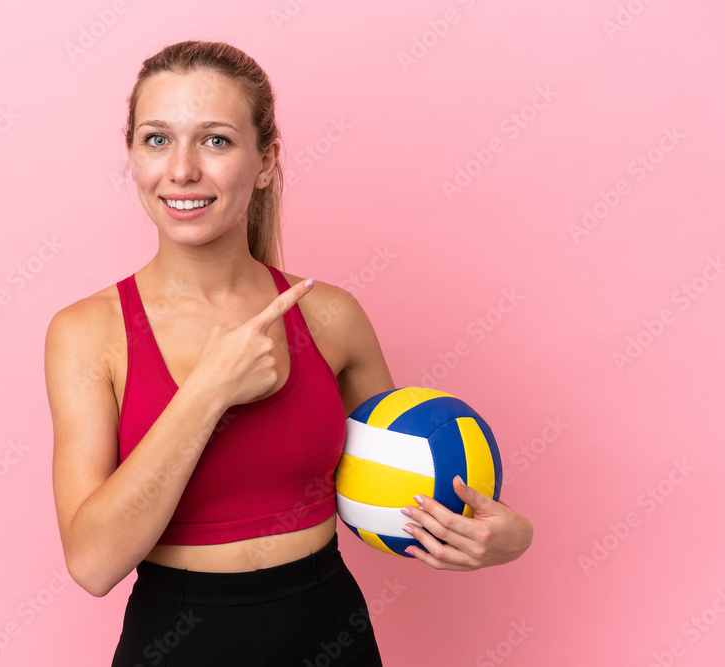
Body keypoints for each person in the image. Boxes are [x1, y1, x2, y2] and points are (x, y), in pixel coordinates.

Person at [44, 40, 534, 666]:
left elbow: (401, 488)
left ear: (267, 160)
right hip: (174, 643)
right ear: (132, 155)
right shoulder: (87, 333)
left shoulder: (330, 317)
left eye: (216, 140)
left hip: (328, 630)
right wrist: (208, 391)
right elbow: (93, 563)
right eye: (157, 139)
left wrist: (503, 535)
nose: (183, 170)